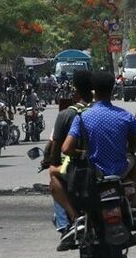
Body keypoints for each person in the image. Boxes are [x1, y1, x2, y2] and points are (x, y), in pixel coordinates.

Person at [57, 72, 136, 251]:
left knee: (58, 174)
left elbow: (66, 148)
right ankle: (134, 209)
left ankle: (75, 218)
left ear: (94, 92)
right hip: (120, 173)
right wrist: (135, 172)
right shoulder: (126, 117)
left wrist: (83, 154)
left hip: (94, 175)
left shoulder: (82, 117)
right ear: (113, 90)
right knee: (134, 161)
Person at [47, 71, 93, 236]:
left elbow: (57, 147)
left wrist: (52, 162)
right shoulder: (97, 111)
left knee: (53, 177)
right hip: (98, 165)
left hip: (72, 165)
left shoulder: (66, 114)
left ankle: (67, 222)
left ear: (76, 92)